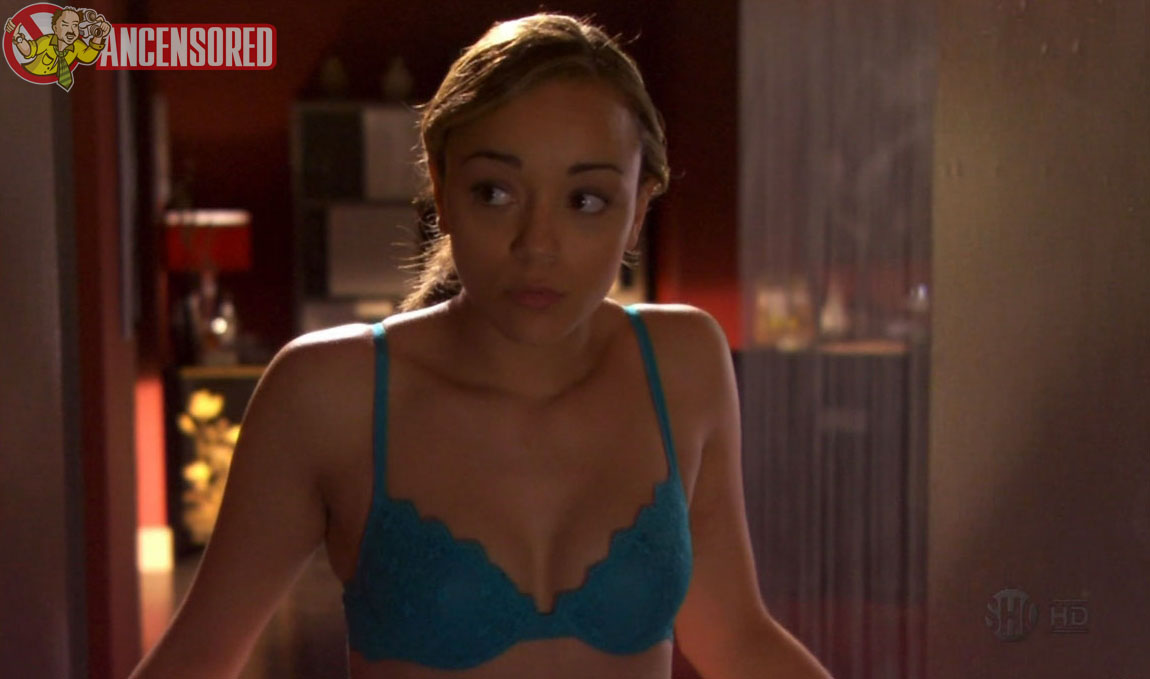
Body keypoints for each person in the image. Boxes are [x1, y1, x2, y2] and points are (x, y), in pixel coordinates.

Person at [130, 12, 831, 679]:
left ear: (639, 207)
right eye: (496, 192)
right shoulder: (331, 393)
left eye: (585, 200)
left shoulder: (681, 362)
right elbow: (197, 658)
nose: (537, 245)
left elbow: (736, 636)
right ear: (440, 186)